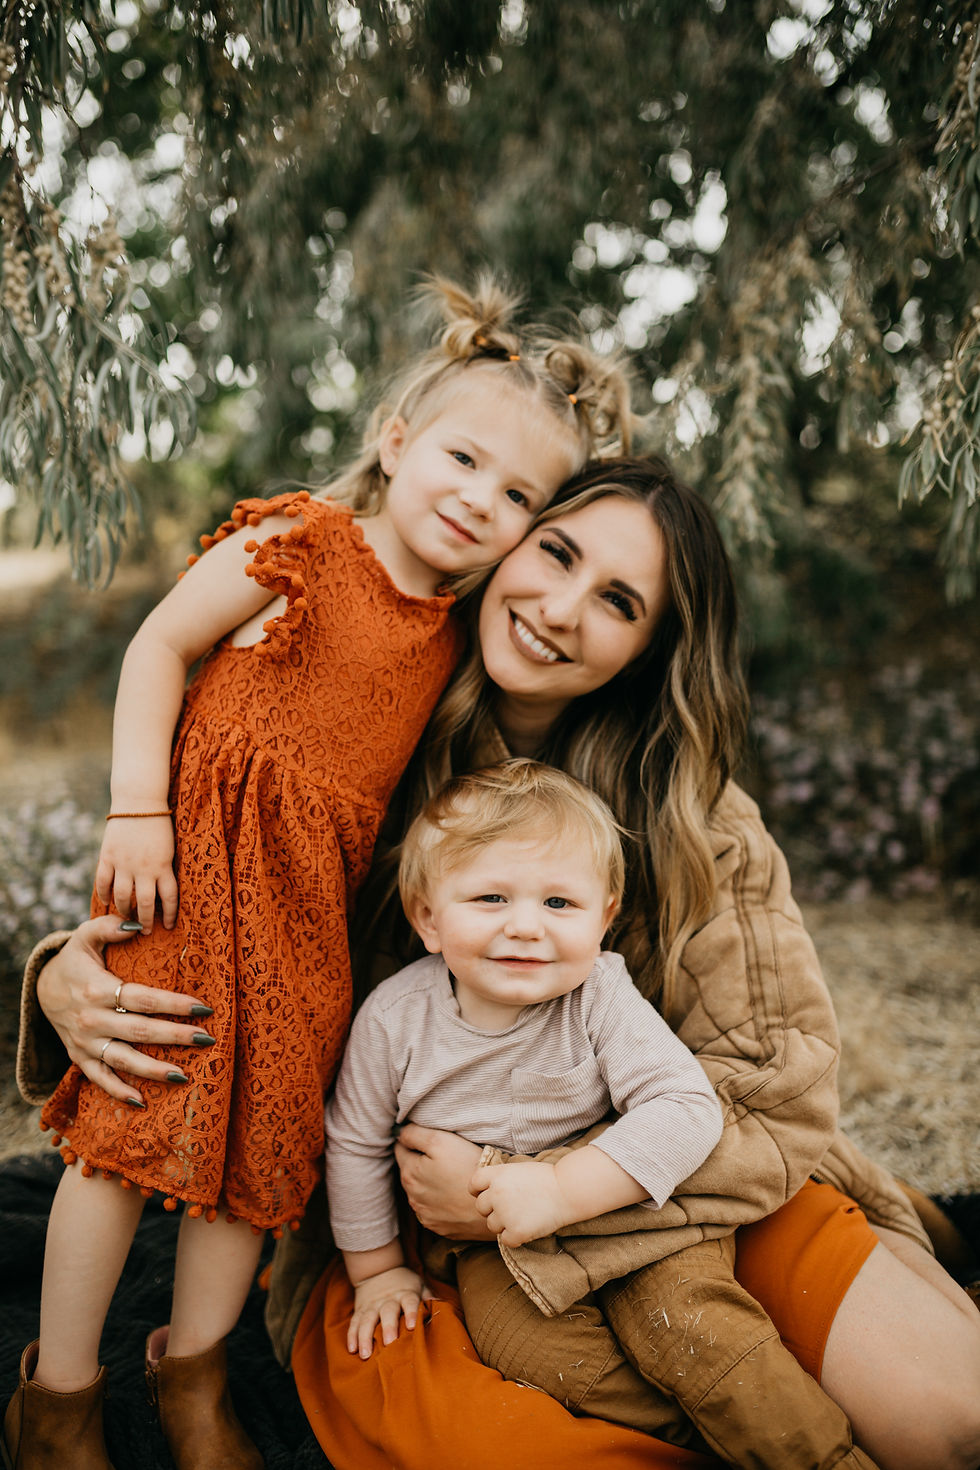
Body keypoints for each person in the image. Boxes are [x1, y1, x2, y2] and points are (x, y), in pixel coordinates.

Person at [14, 459, 980, 1470]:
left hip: (674, 1192)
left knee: (949, 1427)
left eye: (617, 602)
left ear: (649, 649)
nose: (561, 608)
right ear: (503, 544)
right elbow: (225, 905)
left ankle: (896, 1254)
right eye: (555, 553)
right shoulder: (357, 732)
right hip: (417, 1244)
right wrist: (62, 977)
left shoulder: (693, 816)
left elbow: (777, 1085)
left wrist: (549, 1181)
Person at [3, 279, 634, 1470]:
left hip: (303, 935)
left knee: (263, 1165)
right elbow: (159, 644)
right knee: (122, 1138)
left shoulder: (448, 641)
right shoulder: (301, 544)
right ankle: (59, 1402)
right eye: (461, 458)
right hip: (186, 889)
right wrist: (135, 807)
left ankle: (193, 1382)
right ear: (394, 443)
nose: (479, 498)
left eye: (516, 496)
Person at [326, 758, 722, 1375]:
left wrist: (563, 1189)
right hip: (480, 1244)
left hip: (618, 1218)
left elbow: (687, 1108)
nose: (526, 926)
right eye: (491, 898)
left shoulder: (599, 997)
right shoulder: (394, 1017)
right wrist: (376, 1271)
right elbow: (355, 1143)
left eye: (560, 902)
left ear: (604, 920)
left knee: (706, 1337)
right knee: (537, 1358)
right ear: (428, 919)